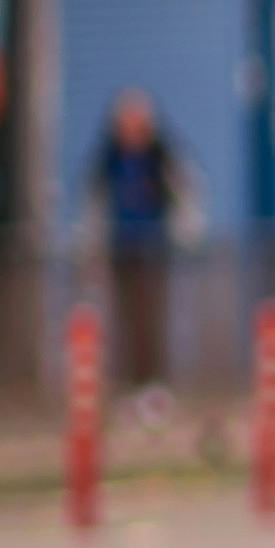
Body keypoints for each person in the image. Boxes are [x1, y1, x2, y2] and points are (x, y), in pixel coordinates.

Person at [95, 87, 182, 402]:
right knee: (124, 320)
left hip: (153, 248)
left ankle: (155, 386)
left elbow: (184, 191)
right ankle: (128, 386)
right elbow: (95, 200)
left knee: (152, 319)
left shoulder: (160, 156)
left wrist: (182, 231)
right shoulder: (110, 159)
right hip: (121, 248)